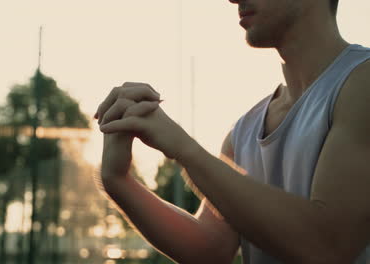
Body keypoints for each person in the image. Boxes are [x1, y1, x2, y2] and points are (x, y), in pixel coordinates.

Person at [94, 0, 370, 263]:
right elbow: (211, 250)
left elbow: (328, 246)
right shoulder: (245, 129)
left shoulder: (363, 81)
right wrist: (118, 181)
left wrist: (183, 148)